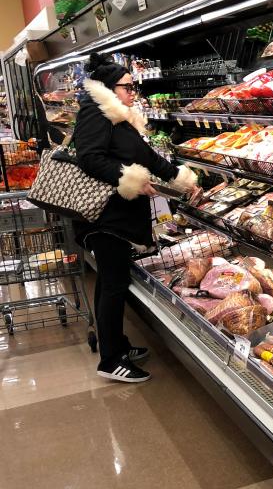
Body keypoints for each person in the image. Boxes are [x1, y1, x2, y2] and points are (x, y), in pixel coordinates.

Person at [74, 53, 197, 383]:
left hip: (116, 214)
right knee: (114, 283)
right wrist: (130, 179)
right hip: (104, 216)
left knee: (109, 281)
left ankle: (115, 344)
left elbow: (145, 156)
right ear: (109, 89)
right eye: (128, 87)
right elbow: (89, 158)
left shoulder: (118, 117)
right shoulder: (95, 113)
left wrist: (181, 179)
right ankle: (111, 360)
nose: (134, 93)